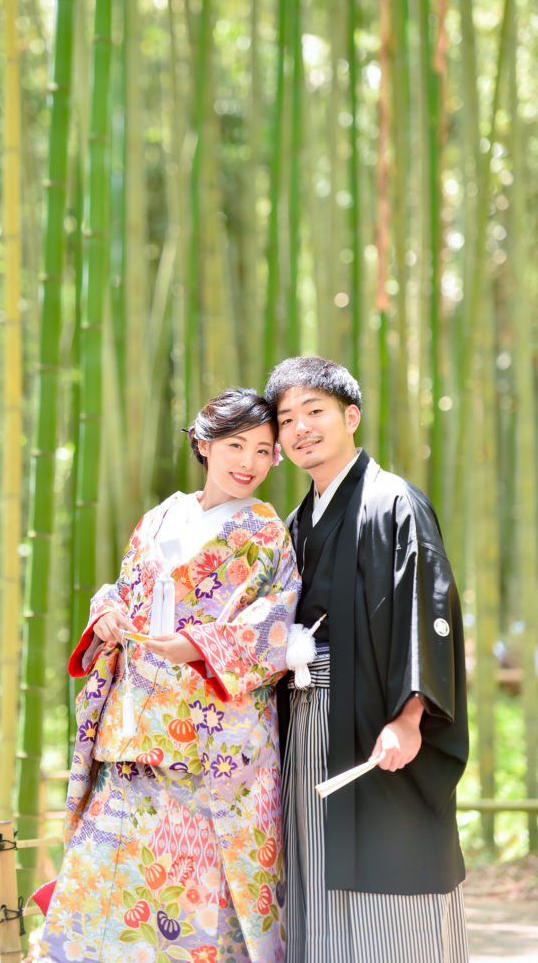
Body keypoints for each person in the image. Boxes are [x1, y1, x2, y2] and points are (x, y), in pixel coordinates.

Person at [38, 388, 301, 963]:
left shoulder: (265, 531)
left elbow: (277, 620)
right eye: (236, 446)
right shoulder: (158, 516)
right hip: (133, 731)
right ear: (203, 444)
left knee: (196, 899)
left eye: (263, 450)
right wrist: (107, 614)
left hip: (210, 747)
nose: (249, 462)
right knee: (105, 881)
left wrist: (200, 645)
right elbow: (121, 589)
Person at [264, 356, 469, 963]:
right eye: (286, 419)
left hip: (377, 716)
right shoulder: (296, 522)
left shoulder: (394, 503)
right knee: (315, 869)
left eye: (315, 411)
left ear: (351, 416)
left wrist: (409, 717)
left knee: (390, 876)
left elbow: (427, 609)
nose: (300, 428)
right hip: (308, 721)